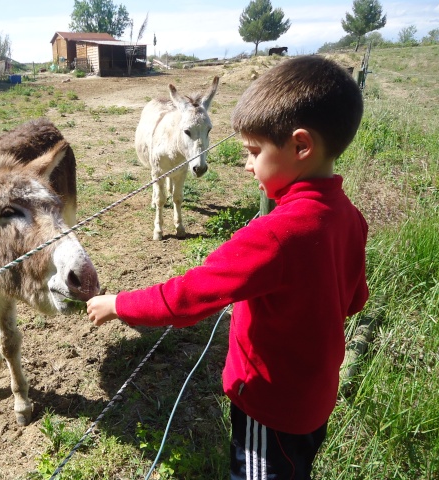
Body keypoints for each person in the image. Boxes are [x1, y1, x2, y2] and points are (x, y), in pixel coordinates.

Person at [86, 55, 369, 479]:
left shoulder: (275, 235)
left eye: (253, 152)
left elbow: (188, 297)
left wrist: (118, 304)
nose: (247, 164)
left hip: (269, 407)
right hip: (315, 397)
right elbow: (354, 298)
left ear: (301, 146)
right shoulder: (348, 216)